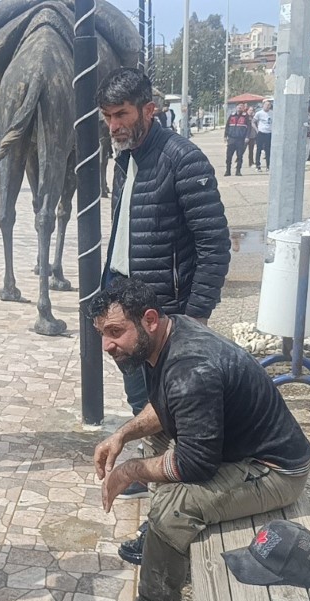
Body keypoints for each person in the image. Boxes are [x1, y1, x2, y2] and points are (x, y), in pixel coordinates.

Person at [82, 278, 310, 601]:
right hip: (236, 450)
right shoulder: (170, 337)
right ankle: (160, 548)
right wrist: (122, 435)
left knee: (170, 513)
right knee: (154, 442)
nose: (107, 345)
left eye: (115, 332)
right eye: (102, 334)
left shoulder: (192, 367)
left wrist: (129, 471)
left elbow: (195, 462)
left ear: (150, 320)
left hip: (275, 471)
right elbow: (168, 407)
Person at [97, 67, 231, 501]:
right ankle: (153, 483)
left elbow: (214, 244)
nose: (114, 125)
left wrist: (195, 317)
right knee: (141, 401)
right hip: (126, 308)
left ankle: (170, 503)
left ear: (149, 110)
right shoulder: (124, 161)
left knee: (173, 413)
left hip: (166, 315)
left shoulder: (183, 159)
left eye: (121, 114)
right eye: (107, 116)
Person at [223, 103, 250, 176]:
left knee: (240, 156)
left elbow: (249, 128)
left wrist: (247, 137)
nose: (239, 108)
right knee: (228, 156)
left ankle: (238, 171)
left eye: (241, 107)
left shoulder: (246, 117)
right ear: (236, 107)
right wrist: (225, 136)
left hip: (240, 139)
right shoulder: (232, 115)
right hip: (231, 139)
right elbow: (227, 126)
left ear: (243, 108)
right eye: (238, 106)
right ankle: (227, 171)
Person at [252, 99, 273, 172]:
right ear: (263, 105)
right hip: (261, 133)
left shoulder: (272, 113)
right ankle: (258, 165)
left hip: (269, 133)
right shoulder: (259, 113)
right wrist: (257, 130)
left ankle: (268, 165)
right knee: (259, 150)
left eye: (269, 105)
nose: (267, 106)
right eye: (266, 105)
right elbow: (253, 122)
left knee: (268, 150)